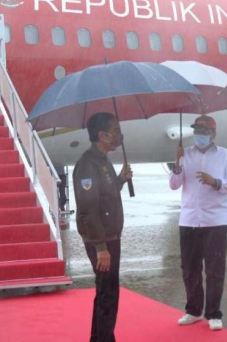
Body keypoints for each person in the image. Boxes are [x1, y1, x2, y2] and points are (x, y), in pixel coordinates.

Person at [170, 115, 227, 331]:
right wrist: (177, 163)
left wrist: (216, 182)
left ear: (213, 134)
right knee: (189, 268)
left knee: (214, 269)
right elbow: (174, 185)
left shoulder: (225, 155)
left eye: (204, 132)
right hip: (190, 219)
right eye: (197, 131)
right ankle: (193, 310)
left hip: (216, 221)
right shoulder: (186, 154)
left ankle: (213, 313)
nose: (200, 135)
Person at [74, 112, 133, 342]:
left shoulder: (103, 161)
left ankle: (100, 338)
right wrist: (100, 247)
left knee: (106, 293)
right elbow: (88, 208)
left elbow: (104, 196)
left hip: (110, 237)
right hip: (102, 240)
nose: (120, 136)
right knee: (107, 295)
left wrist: (120, 180)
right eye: (116, 131)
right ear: (102, 135)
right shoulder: (87, 165)